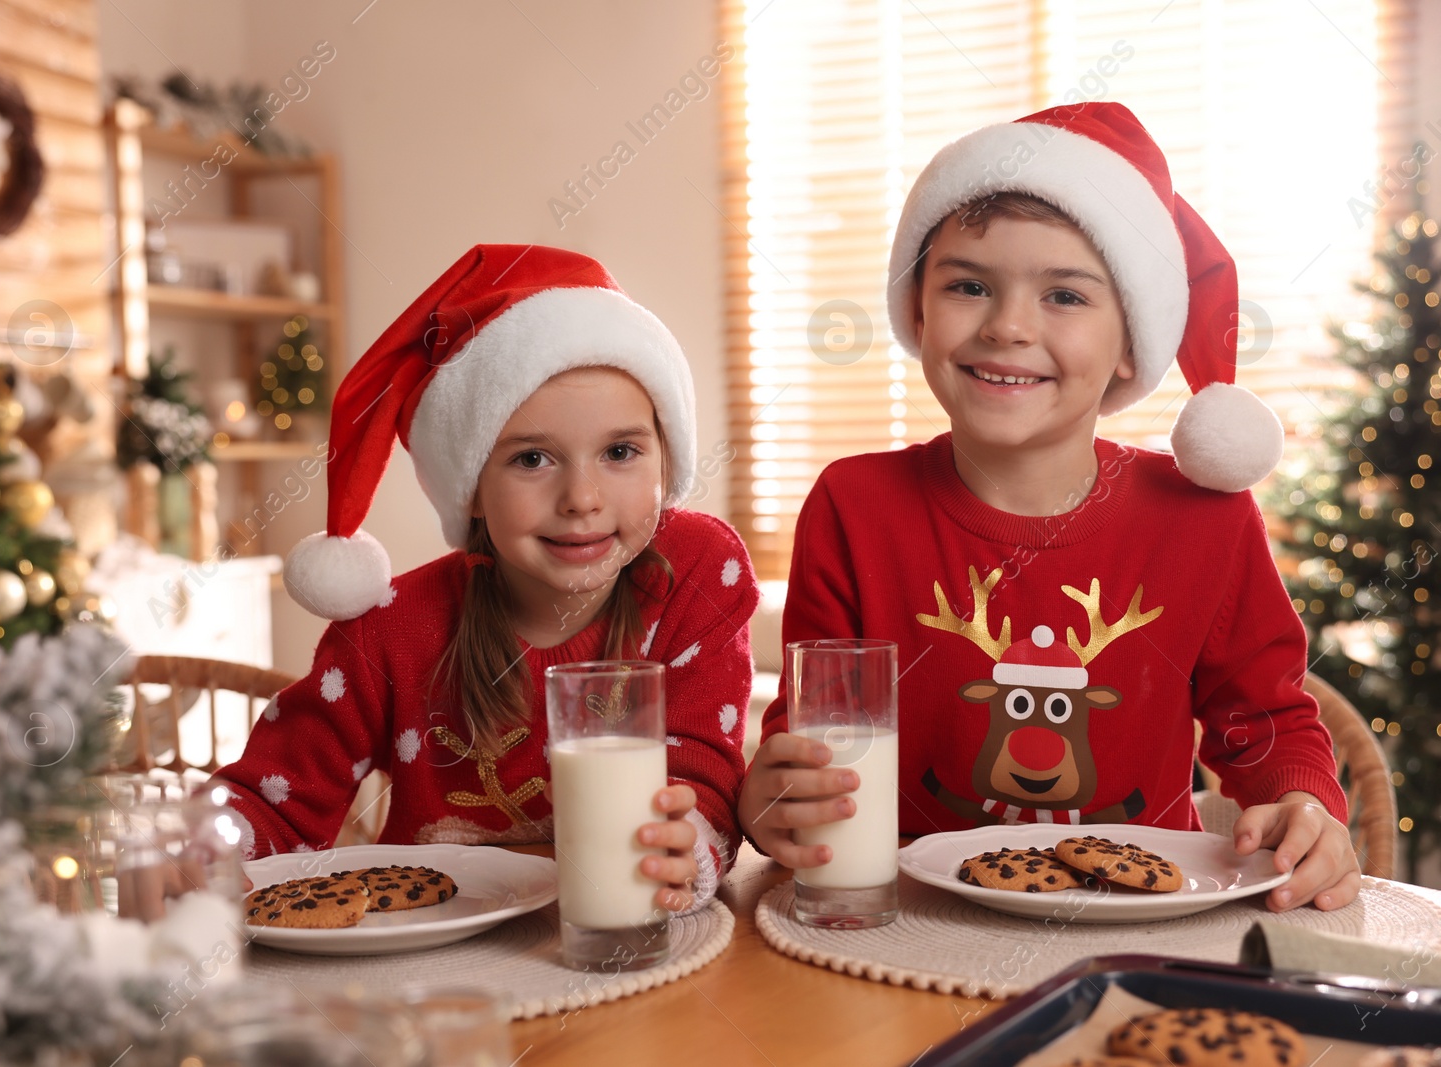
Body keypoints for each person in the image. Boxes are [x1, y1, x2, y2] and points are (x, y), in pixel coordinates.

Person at [738, 102, 1361, 911]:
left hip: (1138, 927)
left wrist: (1303, 800)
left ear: (1134, 339)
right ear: (919, 310)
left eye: (1064, 295)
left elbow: (1267, 721)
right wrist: (774, 796)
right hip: (906, 923)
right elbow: (809, 734)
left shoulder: (1207, 519)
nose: (1007, 326)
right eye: (968, 285)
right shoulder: (853, 506)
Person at [217, 245, 757, 913]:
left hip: (627, 942)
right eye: (532, 458)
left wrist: (690, 838)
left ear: (665, 460)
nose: (582, 498)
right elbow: (277, 799)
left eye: (620, 451)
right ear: (471, 488)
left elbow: (703, 763)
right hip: (429, 966)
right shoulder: (388, 625)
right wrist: (203, 848)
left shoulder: (700, 568)